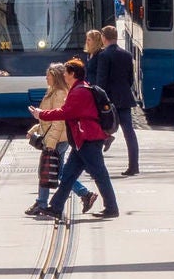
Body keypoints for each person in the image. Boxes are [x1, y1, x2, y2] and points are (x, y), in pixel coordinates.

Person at [35, 59, 119, 220]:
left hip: (89, 139)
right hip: (81, 140)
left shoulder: (79, 92)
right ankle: (56, 207)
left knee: (99, 174)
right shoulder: (79, 89)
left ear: (72, 74)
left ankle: (111, 207)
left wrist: (41, 114)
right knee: (68, 175)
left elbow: (65, 112)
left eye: (66, 72)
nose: (64, 75)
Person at [29, 63, 96, 217]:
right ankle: (43, 202)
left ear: (56, 77)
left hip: (58, 139)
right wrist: (34, 130)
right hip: (55, 137)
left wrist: (51, 144)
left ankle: (44, 202)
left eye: (49, 75)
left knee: (52, 170)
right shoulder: (52, 91)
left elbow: (58, 121)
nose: (46, 77)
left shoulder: (59, 94)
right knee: (52, 171)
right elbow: (47, 117)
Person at [91, 26, 140, 174]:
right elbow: (131, 79)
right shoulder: (126, 54)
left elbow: (101, 81)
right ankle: (134, 166)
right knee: (129, 133)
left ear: (104, 38)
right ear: (116, 36)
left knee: (98, 131)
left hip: (108, 101)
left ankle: (96, 167)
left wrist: (98, 100)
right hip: (124, 98)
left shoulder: (104, 56)